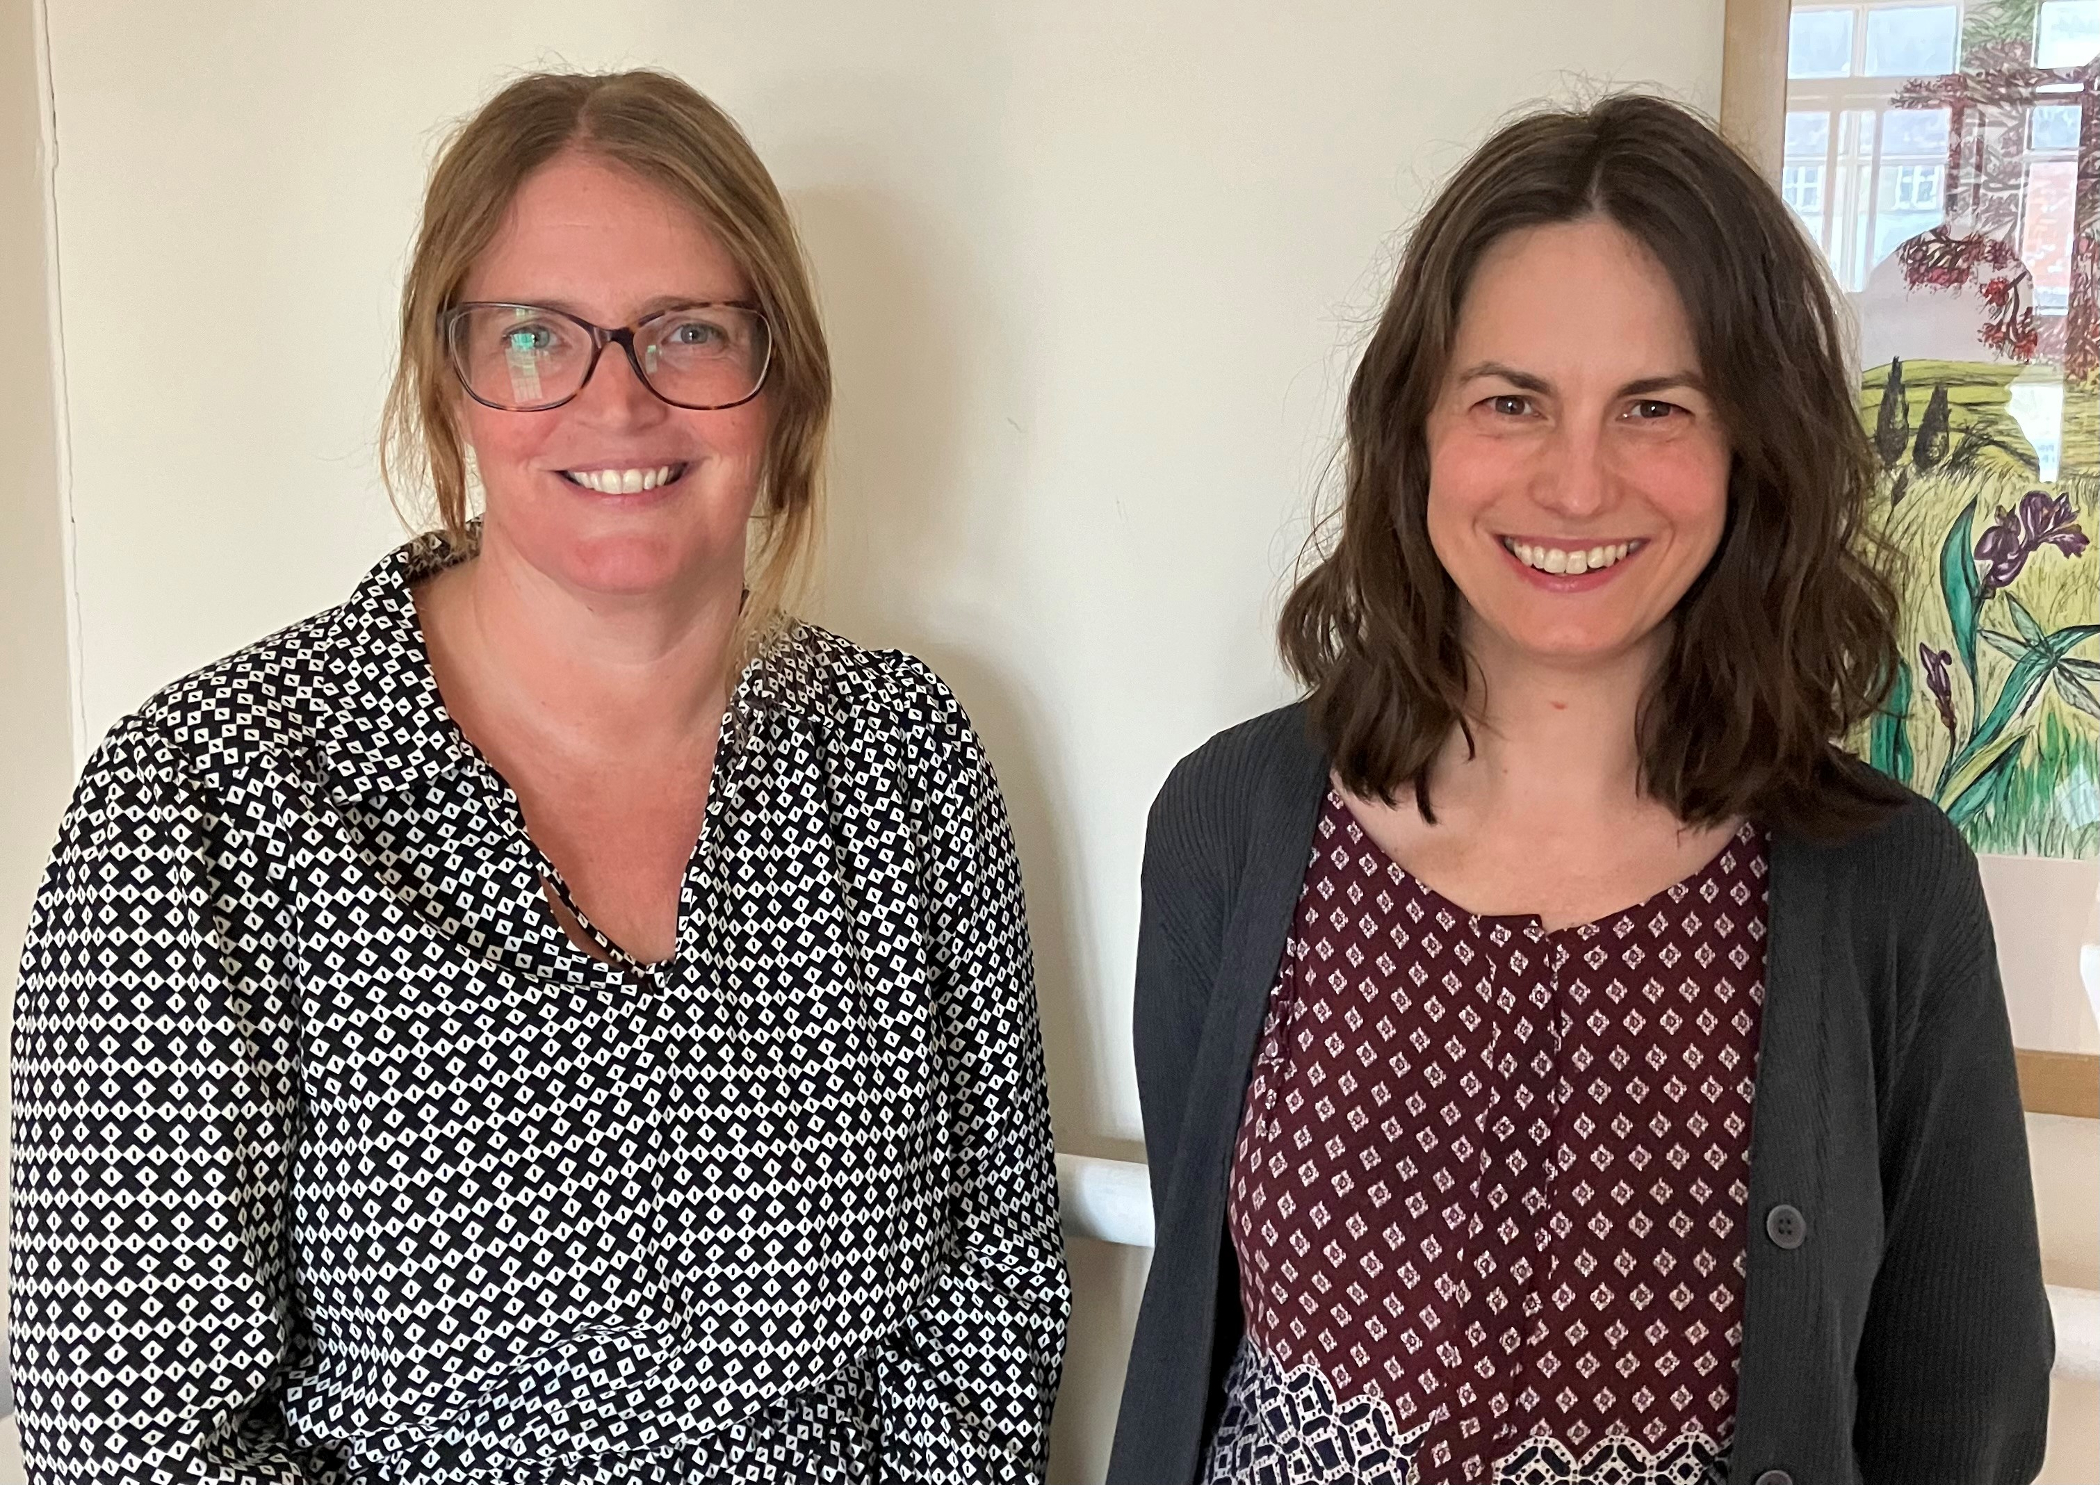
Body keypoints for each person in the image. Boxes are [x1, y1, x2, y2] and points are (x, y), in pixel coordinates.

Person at [12, 69, 1068, 1483]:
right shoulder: (203, 806)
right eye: (535, 337)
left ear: (781, 380)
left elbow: (990, 1288)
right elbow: (128, 1438)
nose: (617, 401)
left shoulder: (902, 759)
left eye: (688, 331)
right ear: (450, 383)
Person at [1108, 94, 2051, 1485]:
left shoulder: (1886, 886)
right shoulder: (1231, 827)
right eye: (1511, 401)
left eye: (1655, 408)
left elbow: (1961, 1411)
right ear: (1416, 429)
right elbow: (1205, 1308)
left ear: (1748, 449)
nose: (1574, 479)